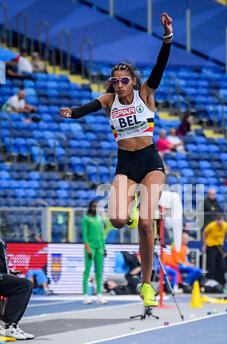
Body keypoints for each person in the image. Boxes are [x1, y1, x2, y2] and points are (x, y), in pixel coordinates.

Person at [60, 12, 174, 308]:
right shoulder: (109, 101)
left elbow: (160, 66)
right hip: (125, 164)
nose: (119, 83)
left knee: (146, 224)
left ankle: (147, 285)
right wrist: (73, 112)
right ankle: (133, 206)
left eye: (124, 79)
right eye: (115, 80)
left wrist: (167, 37)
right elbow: (90, 105)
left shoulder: (146, 94)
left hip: (150, 163)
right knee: (117, 219)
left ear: (133, 81)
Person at [0, 239, 34, 340]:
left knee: (27, 285)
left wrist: (9, 273)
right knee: (25, 285)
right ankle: (7, 324)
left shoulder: (2, 241)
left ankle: (12, 325)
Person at [82, 199, 106, 304]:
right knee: (87, 271)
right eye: (93, 206)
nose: (95, 208)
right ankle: (85, 295)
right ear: (90, 207)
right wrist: (88, 248)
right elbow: (85, 235)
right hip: (90, 247)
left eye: (97, 206)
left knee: (99, 272)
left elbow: (101, 235)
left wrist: (104, 248)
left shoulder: (99, 219)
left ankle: (99, 295)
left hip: (99, 247)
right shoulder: (86, 219)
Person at [203, 214, 227, 289]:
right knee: (211, 264)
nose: (219, 223)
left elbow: (225, 234)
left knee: (221, 264)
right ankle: (211, 281)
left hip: (219, 246)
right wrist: (204, 245)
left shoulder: (226, 225)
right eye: (218, 222)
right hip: (211, 245)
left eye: (220, 221)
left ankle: (221, 282)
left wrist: (222, 241)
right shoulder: (211, 225)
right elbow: (204, 233)